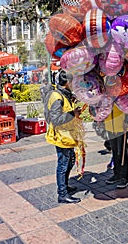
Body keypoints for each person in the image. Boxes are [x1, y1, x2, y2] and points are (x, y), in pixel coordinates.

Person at [45, 70, 83, 204]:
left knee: (70, 161)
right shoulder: (57, 97)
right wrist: (73, 113)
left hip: (68, 135)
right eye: (72, 82)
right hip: (61, 137)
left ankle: (65, 186)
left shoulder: (64, 94)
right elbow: (56, 119)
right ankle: (62, 194)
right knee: (63, 164)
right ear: (67, 82)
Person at [100, 104, 128, 188]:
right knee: (114, 151)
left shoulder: (124, 93)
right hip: (110, 125)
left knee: (121, 152)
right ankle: (117, 174)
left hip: (121, 125)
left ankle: (124, 177)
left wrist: (127, 120)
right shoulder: (106, 93)